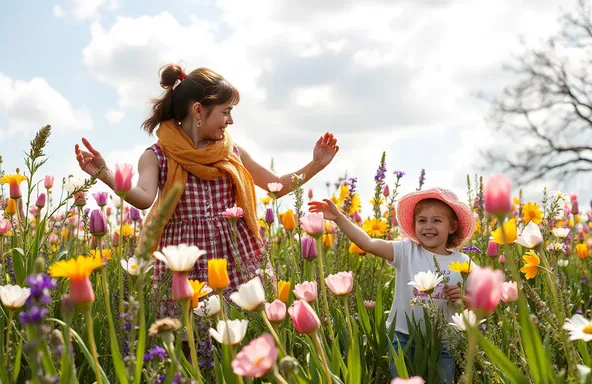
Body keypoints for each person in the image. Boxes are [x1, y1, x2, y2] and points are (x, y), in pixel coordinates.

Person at [75, 63, 339, 318]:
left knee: (242, 325)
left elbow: (276, 186)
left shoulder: (231, 151)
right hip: (184, 261)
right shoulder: (158, 155)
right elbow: (143, 199)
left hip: (234, 256)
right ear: (199, 111)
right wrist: (105, 174)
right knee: (189, 337)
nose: (231, 120)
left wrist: (315, 164)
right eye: (226, 112)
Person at [309, 187, 475, 383]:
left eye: (436, 220)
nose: (428, 226)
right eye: (422, 220)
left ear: (452, 226)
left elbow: (481, 301)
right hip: (403, 337)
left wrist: (463, 299)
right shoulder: (406, 251)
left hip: (444, 341)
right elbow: (368, 243)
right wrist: (338, 218)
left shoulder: (464, 261)